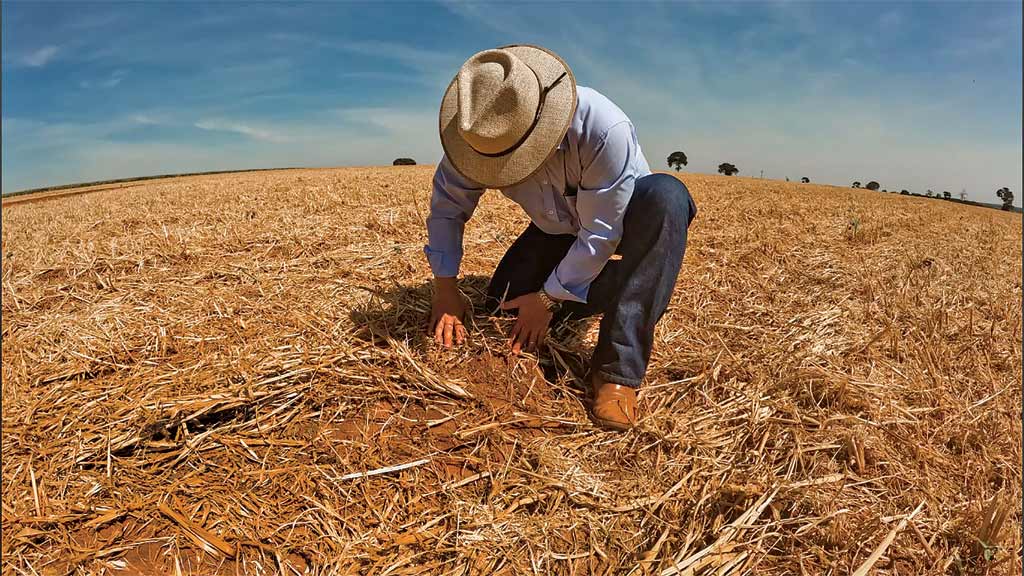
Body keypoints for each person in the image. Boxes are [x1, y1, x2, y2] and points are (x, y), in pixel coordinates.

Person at [424, 45, 697, 431]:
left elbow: (602, 233)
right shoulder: (475, 134)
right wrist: (445, 289)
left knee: (667, 196)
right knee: (501, 302)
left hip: (621, 223)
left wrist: (548, 298)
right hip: (556, 231)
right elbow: (447, 211)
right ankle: (639, 287)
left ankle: (617, 373)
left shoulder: (602, 126)